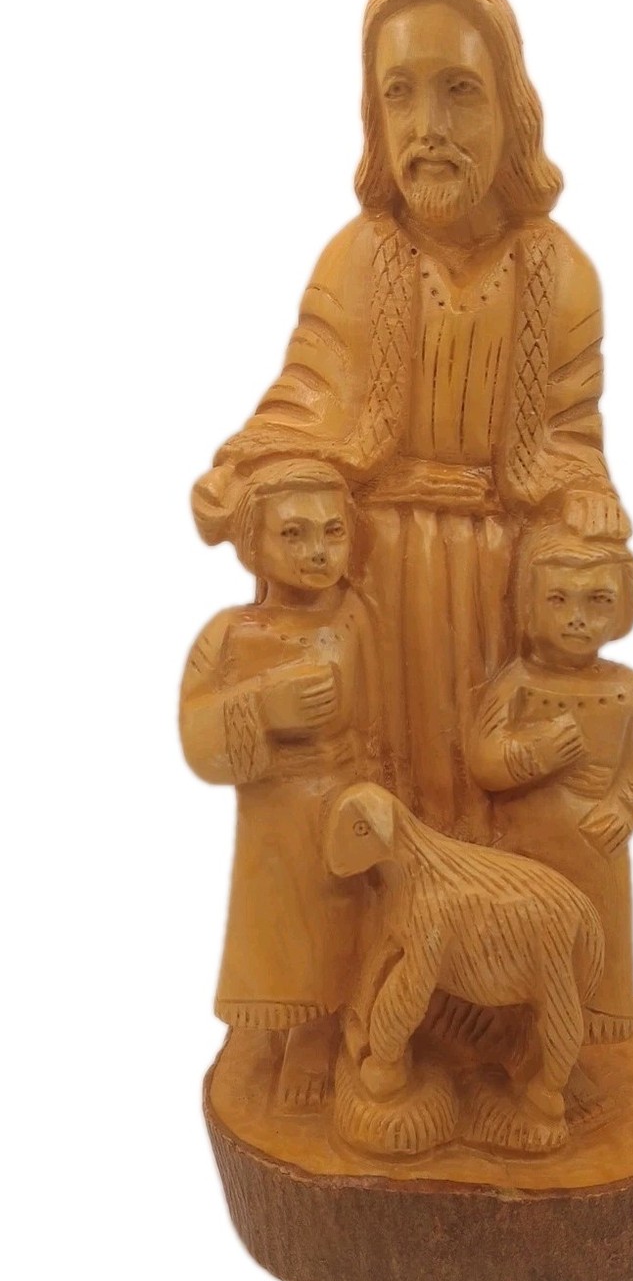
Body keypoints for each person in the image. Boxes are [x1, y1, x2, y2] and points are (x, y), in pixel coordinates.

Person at [193, 0, 630, 837]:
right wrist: (244, 474)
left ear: (511, 108)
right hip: (372, 575)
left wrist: (584, 499)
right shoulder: (357, 259)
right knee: (377, 786)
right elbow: (305, 400)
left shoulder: (560, 275)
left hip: (501, 581)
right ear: (373, 113)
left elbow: (570, 440)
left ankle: (489, 917)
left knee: (489, 779)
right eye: (400, 94)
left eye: (459, 91)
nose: (428, 128)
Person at [180, 458, 381, 1106]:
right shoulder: (230, 635)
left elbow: (388, 715)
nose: (317, 551)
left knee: (334, 920)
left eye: (332, 532)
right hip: (271, 811)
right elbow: (197, 735)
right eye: (293, 534)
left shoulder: (356, 618)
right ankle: (271, 1025)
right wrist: (263, 708)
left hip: (341, 803)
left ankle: (318, 1034)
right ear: (253, 544)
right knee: (273, 924)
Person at [468, 507, 633, 1042]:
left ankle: (590, 1028)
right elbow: (484, 761)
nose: (578, 618)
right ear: (530, 605)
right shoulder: (518, 685)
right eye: (559, 600)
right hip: (526, 851)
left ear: (624, 606)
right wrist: (535, 753)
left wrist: (622, 809)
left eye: (598, 601)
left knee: (596, 937)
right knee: (528, 938)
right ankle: (518, 1027)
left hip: (596, 851)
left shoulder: (630, 693)